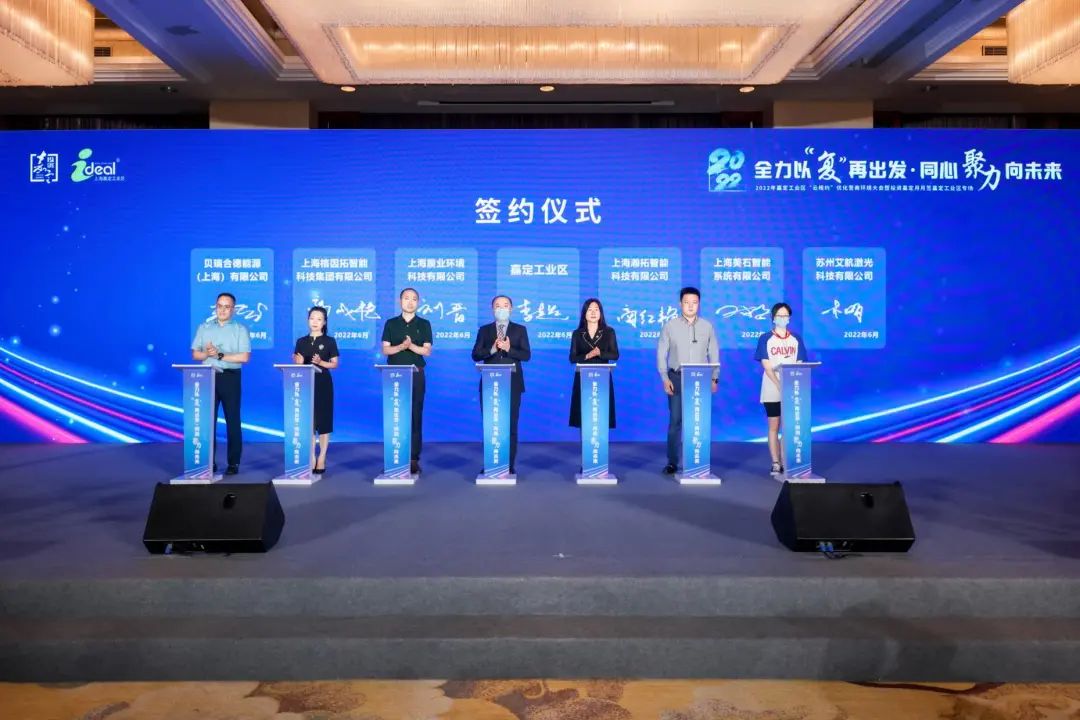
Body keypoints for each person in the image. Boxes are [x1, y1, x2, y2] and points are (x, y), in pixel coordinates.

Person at [656, 286, 720, 475]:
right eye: (686, 302)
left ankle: (697, 460)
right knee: (675, 421)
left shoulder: (707, 326)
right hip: (676, 378)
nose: (690, 306)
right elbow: (661, 353)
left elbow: (714, 353)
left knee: (698, 421)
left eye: (694, 303)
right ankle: (672, 462)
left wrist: (715, 377)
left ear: (699, 304)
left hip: (701, 379)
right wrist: (664, 377)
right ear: (680, 304)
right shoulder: (670, 326)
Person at [191, 292, 251, 475]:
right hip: (207, 377)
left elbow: (244, 357)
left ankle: (233, 463)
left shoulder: (240, 329)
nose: (222, 310)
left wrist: (220, 355)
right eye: (219, 306)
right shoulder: (204, 328)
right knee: (207, 422)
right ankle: (209, 461)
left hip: (230, 377)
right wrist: (207, 354)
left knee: (233, 421)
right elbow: (195, 354)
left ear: (233, 309)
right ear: (215, 307)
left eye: (227, 307)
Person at [471, 295, 531, 474]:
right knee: (492, 425)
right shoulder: (485, 330)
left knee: (510, 424)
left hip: (513, 384)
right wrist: (492, 349)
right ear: (492, 309)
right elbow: (475, 355)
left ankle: (508, 465)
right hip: (490, 385)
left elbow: (526, 355)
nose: (502, 308)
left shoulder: (520, 330)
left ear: (511, 309)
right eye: (498, 305)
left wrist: (508, 349)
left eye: (505, 305)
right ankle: (492, 463)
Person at [380, 288, 433, 474]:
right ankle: (395, 457)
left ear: (418, 302)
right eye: (406, 298)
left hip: (416, 374)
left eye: (414, 299)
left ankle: (413, 458)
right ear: (399, 301)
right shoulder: (391, 323)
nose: (410, 302)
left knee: (415, 415)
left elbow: (427, 351)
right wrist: (402, 346)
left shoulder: (424, 324)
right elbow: (386, 350)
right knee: (395, 416)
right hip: (394, 375)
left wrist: (411, 346)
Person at [754, 302, 808, 476]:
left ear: (789, 318)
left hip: (792, 388)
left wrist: (789, 385)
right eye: (779, 315)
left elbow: (799, 363)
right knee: (774, 425)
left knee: (788, 426)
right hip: (771, 387)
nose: (782, 318)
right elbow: (766, 365)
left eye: (785, 316)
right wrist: (779, 384)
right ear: (773, 317)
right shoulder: (765, 338)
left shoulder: (796, 339)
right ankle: (776, 462)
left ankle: (786, 461)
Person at [293, 306, 339, 474]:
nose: (315, 322)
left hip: (323, 383)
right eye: (312, 318)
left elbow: (334, 364)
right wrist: (298, 363)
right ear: (308, 320)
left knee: (324, 421)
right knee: (309, 422)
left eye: (319, 319)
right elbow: (298, 363)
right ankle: (312, 456)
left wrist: (320, 362)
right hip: (305, 384)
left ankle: (322, 457)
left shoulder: (329, 341)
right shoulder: (301, 341)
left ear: (324, 322)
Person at [569, 298, 619, 429]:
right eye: (590, 310)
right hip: (582, 377)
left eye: (596, 310)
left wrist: (600, 353)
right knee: (584, 414)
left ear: (600, 313)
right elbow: (572, 358)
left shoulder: (609, 332)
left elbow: (615, 355)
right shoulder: (577, 334)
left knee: (601, 413)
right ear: (584, 313)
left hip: (602, 378)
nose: (593, 313)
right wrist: (587, 355)